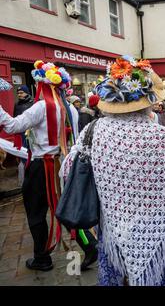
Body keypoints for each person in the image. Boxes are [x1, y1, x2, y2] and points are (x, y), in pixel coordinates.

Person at [67, 56, 165, 286]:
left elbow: (68, 170)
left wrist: (109, 182)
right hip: (155, 227)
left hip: (113, 227)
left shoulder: (93, 130)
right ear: (147, 100)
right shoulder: (159, 135)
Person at [0, 60, 97, 272]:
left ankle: (42, 257)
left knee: (36, 212)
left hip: (40, 167)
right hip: (61, 165)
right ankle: (88, 244)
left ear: (42, 85)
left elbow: (14, 125)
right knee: (63, 207)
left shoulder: (41, 107)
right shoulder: (69, 107)